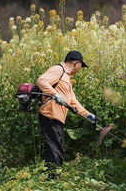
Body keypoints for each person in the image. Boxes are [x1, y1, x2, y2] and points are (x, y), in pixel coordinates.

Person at [37, 50, 95, 178]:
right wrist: (55, 94)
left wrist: (87, 114)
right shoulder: (58, 70)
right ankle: (53, 177)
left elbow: (73, 101)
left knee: (58, 147)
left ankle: (51, 175)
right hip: (49, 114)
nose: (80, 69)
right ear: (76, 63)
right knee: (56, 148)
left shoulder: (67, 78)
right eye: (80, 66)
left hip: (57, 118)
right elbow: (41, 80)